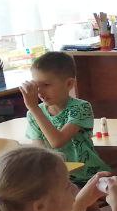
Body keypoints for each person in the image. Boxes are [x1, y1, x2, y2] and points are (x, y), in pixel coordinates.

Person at [20, 51, 110, 183]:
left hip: (89, 177)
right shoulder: (33, 114)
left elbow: (57, 142)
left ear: (69, 84)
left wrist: (34, 108)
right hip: (57, 179)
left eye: (46, 85)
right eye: (37, 86)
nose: (40, 92)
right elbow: (39, 152)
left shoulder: (81, 107)